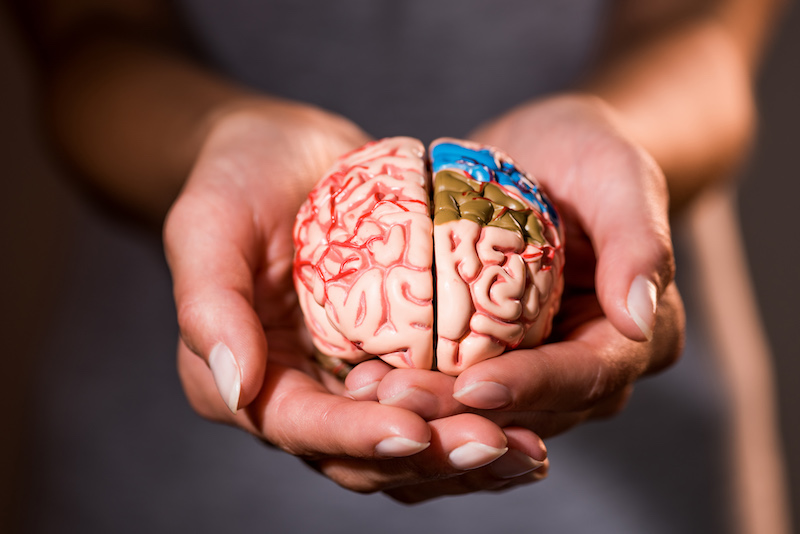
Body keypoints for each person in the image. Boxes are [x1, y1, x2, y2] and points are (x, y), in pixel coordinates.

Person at [6, 0, 789, 532]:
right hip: (165, 465)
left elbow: (703, 28)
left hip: (633, 447)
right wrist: (211, 138)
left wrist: (622, 134)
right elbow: (87, 34)